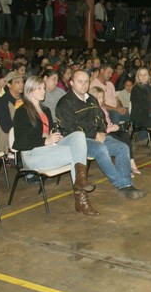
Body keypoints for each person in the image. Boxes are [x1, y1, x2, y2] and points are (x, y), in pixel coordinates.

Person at [13, 76, 98, 216]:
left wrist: (57, 135)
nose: (43, 91)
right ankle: (81, 198)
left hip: (50, 148)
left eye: (43, 88)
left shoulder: (45, 110)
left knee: (78, 136)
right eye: (39, 88)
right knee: (76, 154)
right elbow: (20, 143)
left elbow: (50, 130)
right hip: (33, 154)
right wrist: (44, 141)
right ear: (30, 91)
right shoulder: (21, 112)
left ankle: (80, 181)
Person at [56, 70, 146, 199]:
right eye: (79, 81)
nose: (84, 84)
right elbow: (70, 129)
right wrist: (94, 135)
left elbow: (102, 119)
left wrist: (101, 132)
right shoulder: (65, 103)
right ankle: (122, 185)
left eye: (86, 81)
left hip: (97, 136)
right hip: (79, 141)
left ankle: (127, 185)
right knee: (101, 149)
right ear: (71, 83)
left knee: (123, 148)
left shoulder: (91, 99)